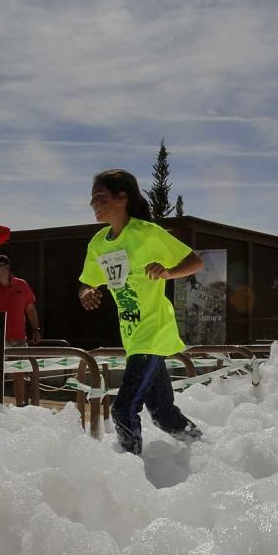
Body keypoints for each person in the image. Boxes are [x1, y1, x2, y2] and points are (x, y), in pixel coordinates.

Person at [78, 168, 204, 454]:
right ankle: (207, 451)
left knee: (122, 410)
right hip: (133, 337)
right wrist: (86, 292)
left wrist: (168, 272)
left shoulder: (147, 234)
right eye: (92, 198)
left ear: (122, 199)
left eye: (100, 197)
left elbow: (195, 263)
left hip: (153, 332)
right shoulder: (98, 244)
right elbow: (86, 282)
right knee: (162, 414)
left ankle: (131, 477)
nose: (93, 203)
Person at [0, 253, 41, 406]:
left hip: (19, 338)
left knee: (19, 373)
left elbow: (30, 309)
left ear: (7, 268)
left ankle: (20, 406)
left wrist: (36, 329)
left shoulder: (21, 285)